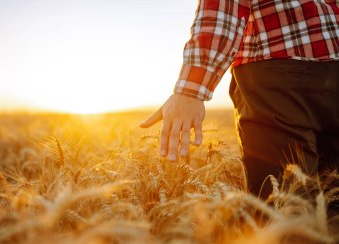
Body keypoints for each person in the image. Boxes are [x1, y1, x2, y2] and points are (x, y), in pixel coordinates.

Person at [140, 0, 339, 198]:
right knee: (334, 200)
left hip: (276, 71)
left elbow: (225, 8)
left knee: (286, 205)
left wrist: (191, 90)